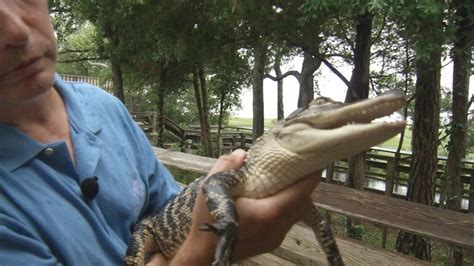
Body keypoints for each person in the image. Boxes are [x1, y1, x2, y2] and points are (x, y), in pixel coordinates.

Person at [0, 1, 320, 265]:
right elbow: (187, 235)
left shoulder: (104, 107)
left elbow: (169, 214)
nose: (15, 30)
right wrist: (204, 248)